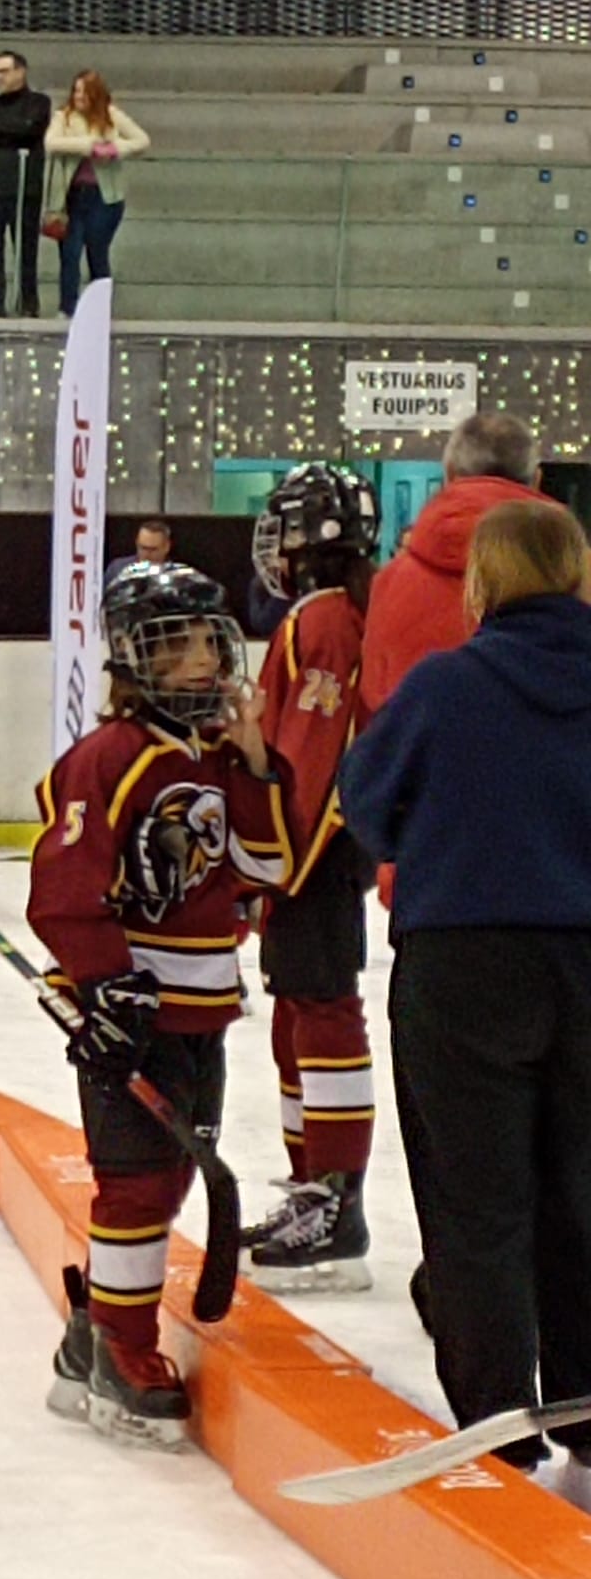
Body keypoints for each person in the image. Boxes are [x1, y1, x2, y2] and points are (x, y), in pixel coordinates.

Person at [340, 498, 591, 1490]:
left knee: (474, 1199)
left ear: (483, 584)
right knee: (583, 1190)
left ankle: (497, 1418)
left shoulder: (446, 686)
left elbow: (369, 806)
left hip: (465, 962)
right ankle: (585, 1402)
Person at [27, 563, 291, 1447]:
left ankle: (88, 1331)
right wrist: (104, 981)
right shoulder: (107, 758)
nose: (204, 661)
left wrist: (257, 764)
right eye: (179, 645)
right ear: (134, 658)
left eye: (212, 641)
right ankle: (121, 1344)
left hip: (202, 1013)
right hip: (133, 1013)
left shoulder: (219, 759)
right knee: (136, 1181)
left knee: (172, 1179)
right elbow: (63, 889)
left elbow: (267, 870)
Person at [358, 409, 545, 1334]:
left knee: (463, 1151)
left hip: (442, 900)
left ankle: (482, 1351)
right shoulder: (573, 574)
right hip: (571, 907)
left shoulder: (394, 584)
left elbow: (375, 757)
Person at [239, 462, 381, 1291]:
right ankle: (313, 1191)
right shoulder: (322, 613)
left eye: (281, 524)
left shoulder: (323, 621)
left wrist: (268, 854)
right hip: (312, 848)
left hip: (315, 848)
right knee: (299, 1012)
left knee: (324, 1012)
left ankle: (338, 1198)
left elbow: (309, 754)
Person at [361, 411, 544, 714]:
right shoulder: (578, 579)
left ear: (448, 474)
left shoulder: (390, 584)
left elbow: (375, 713)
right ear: (536, 480)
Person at [45, 70, 150, 316]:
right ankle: (67, 308)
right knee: (70, 253)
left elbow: (142, 140)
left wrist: (115, 149)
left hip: (105, 197)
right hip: (71, 196)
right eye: (76, 90)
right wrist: (89, 145)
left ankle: (99, 308)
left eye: (84, 91)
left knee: (97, 249)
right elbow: (51, 143)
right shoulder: (64, 117)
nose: (78, 96)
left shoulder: (111, 115)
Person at [0, 51, 50, 318]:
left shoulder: (38, 102)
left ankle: (28, 303)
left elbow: (30, 131)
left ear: (20, 72)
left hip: (24, 187)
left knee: (26, 249)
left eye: (4, 71)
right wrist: (9, 132)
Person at [103, 518, 173, 589]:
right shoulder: (118, 569)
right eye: (143, 548)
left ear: (166, 547)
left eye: (153, 549)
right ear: (137, 543)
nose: (147, 554)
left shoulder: (175, 574)